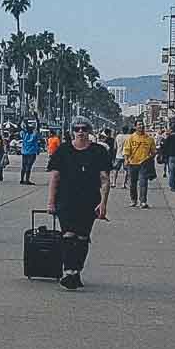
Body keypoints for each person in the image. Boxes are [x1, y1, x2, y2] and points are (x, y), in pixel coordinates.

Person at [47, 120, 112, 289]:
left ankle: (76, 271)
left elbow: (104, 179)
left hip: (89, 200)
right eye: (77, 129)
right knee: (68, 235)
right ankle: (69, 272)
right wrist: (51, 202)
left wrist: (103, 203)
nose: (80, 132)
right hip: (66, 199)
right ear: (72, 131)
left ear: (89, 131)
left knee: (82, 237)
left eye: (84, 129)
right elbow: (55, 177)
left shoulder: (99, 151)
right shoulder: (63, 150)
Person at [124, 123, 156, 207]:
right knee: (132, 183)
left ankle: (143, 201)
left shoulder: (149, 139)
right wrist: (126, 159)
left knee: (143, 182)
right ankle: (133, 200)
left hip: (144, 164)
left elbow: (153, 152)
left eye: (142, 125)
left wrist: (149, 158)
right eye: (138, 125)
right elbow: (127, 150)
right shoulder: (131, 138)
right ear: (135, 126)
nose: (140, 126)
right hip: (132, 163)